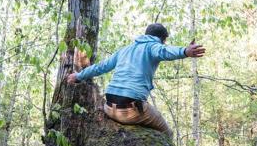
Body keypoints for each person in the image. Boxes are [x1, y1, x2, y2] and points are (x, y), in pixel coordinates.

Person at [67, 23, 205, 138]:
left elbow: (101, 67)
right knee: (168, 133)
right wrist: (185, 51)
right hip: (130, 111)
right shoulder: (153, 46)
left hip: (108, 107)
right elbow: (163, 52)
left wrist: (78, 76)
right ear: (162, 40)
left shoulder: (125, 50)